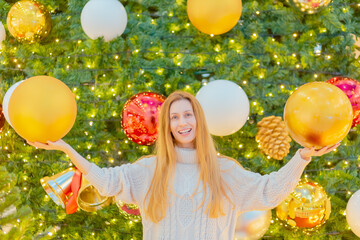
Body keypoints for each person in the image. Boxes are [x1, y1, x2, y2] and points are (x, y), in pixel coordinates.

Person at [28, 91, 339, 240]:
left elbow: (269, 192)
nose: (182, 122)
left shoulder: (225, 171)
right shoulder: (148, 171)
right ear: (167, 126)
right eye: (174, 117)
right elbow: (107, 183)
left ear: (198, 121)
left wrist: (303, 157)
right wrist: (67, 148)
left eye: (187, 115)